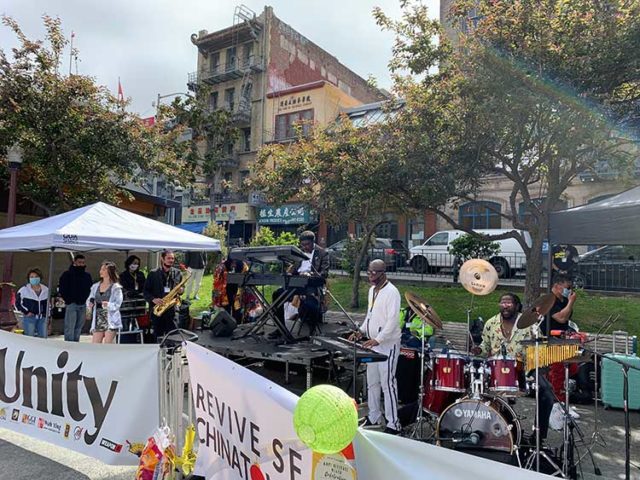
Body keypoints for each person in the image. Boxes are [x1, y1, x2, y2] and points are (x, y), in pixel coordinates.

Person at [475, 292, 555, 443]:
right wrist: (478, 350)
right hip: (497, 371)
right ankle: (496, 430)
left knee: (547, 392)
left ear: (517, 306)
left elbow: (541, 347)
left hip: (524, 370)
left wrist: (539, 362)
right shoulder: (491, 323)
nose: (505, 306)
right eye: (502, 302)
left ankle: (539, 436)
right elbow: (485, 346)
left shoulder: (530, 323)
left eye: (508, 303)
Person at [349, 259, 401, 434]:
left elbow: (393, 321)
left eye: (374, 272)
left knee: (388, 384)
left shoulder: (392, 292)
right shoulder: (372, 291)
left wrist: (378, 339)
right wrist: (361, 331)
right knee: (372, 382)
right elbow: (370, 315)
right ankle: (374, 415)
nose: (370, 275)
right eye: (369, 272)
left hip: (387, 345)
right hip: (372, 344)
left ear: (383, 272)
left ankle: (393, 423)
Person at [544, 274, 580, 399]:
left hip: (563, 338)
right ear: (557, 285)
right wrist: (571, 302)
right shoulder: (549, 300)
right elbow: (561, 318)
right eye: (567, 287)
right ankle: (555, 398)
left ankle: (562, 395)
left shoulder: (563, 300)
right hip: (550, 339)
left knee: (573, 367)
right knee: (557, 371)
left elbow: (567, 320)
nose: (569, 290)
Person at [143, 250, 183, 342]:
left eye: (172, 258)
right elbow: (145, 292)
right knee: (157, 337)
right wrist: (153, 299)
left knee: (173, 337)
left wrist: (181, 291)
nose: (171, 260)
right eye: (168, 258)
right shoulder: (153, 274)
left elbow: (181, 289)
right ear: (162, 258)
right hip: (158, 310)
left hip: (172, 311)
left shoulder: (178, 273)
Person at [58, 254, 93, 342]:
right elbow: (62, 288)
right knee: (70, 327)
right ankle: (69, 345)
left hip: (83, 304)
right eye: (79, 262)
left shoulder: (87, 276)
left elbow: (90, 288)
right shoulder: (67, 275)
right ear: (75, 262)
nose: (81, 264)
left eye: (83, 262)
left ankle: (76, 343)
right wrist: (68, 300)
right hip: (71, 304)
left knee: (79, 327)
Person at [87, 261, 123, 344]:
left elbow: (118, 304)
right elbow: (90, 298)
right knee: (95, 343)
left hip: (110, 318)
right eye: (101, 269)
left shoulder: (116, 288)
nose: (101, 271)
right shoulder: (95, 286)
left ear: (109, 271)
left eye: (103, 269)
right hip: (98, 318)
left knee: (108, 344)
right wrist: (90, 303)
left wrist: (109, 305)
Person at [15, 268, 49, 338]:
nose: (34, 278)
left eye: (36, 276)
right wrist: (26, 312)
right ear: (29, 279)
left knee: (43, 337)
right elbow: (18, 303)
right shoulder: (24, 290)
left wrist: (48, 316)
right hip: (30, 317)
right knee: (29, 337)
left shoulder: (46, 290)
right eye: (32, 277)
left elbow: (49, 304)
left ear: (40, 277)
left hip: (42, 317)